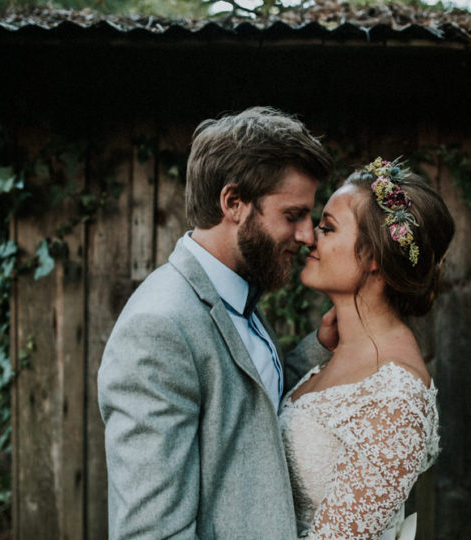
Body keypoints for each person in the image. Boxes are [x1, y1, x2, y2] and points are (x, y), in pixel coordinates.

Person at [97, 107, 336, 539]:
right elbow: (152, 531)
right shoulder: (158, 328)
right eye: (292, 215)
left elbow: (248, 409)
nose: (307, 235)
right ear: (234, 203)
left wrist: (318, 346)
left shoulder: (237, 290)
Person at [279, 157, 455, 540]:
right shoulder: (335, 350)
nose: (309, 236)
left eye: (328, 228)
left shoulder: (397, 398)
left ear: (374, 256)